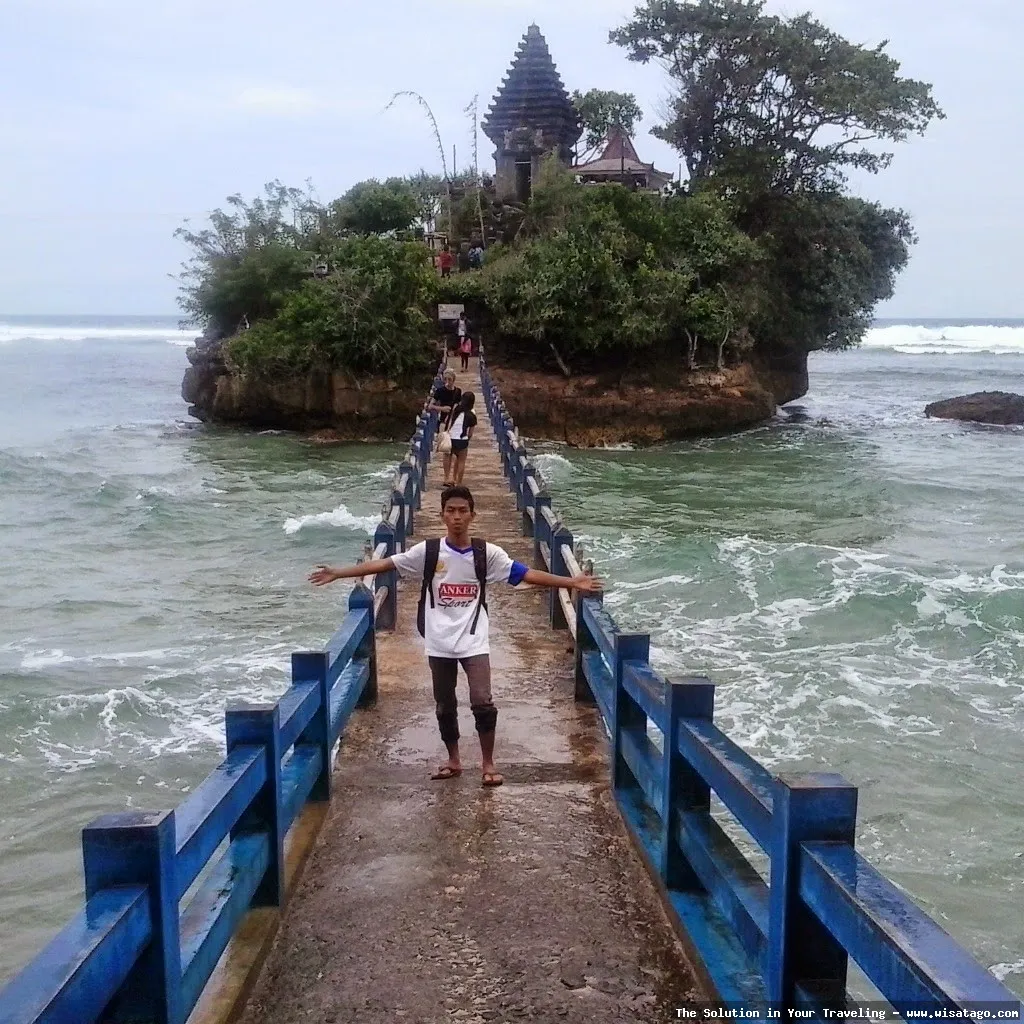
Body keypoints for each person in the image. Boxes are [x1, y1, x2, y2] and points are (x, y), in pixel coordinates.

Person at [309, 486, 603, 787]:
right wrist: (339, 572)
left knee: (482, 700)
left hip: (474, 639)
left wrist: (571, 582)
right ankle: (453, 760)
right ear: (442, 515)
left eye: (463, 511)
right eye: (451, 511)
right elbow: (386, 564)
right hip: (438, 641)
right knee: (444, 703)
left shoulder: (486, 553)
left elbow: (525, 574)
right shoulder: (429, 552)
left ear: (472, 515)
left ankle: (488, 764)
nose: (457, 516)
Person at [428, 369, 462, 486]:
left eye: (450, 379)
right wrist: (442, 409)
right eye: (446, 379)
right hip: (443, 422)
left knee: (456, 451)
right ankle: (446, 477)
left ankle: (454, 477)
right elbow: (430, 405)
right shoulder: (440, 391)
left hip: (456, 423)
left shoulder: (458, 392)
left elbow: (460, 406)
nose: (448, 382)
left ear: (454, 379)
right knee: (446, 450)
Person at [447, 392, 476, 486]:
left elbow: (450, 421)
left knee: (449, 457)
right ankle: (459, 482)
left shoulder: (456, 409)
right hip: (462, 439)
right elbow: (470, 433)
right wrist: (467, 440)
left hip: (451, 437)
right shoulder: (472, 415)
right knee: (461, 461)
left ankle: (448, 478)